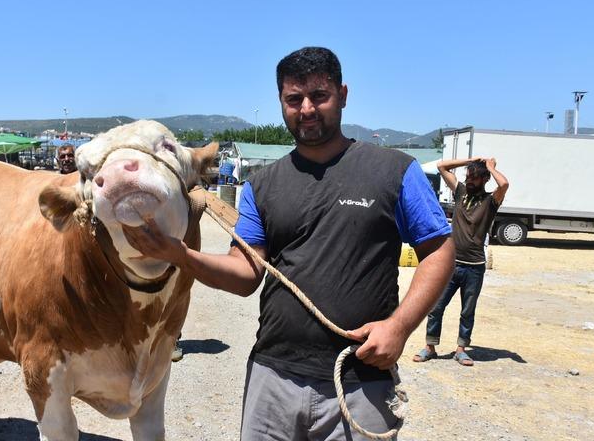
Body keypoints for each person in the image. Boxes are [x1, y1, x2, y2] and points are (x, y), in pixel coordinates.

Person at [122, 46, 455, 440]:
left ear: (343, 96)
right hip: (273, 375)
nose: (307, 109)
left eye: (320, 96)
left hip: (361, 380)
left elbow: (439, 251)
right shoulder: (263, 185)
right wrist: (179, 255)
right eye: (294, 99)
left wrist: (399, 327)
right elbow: (246, 273)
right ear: (281, 103)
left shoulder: (393, 170)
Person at [413, 157, 508, 366]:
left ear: (485, 179)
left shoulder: (491, 201)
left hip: (474, 267)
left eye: (475, 177)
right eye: (468, 176)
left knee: (467, 310)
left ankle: (461, 349)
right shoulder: (461, 192)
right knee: (436, 306)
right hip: (450, 264)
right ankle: (430, 346)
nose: (470, 180)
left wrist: (491, 167)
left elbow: (504, 184)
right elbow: (441, 166)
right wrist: (472, 160)